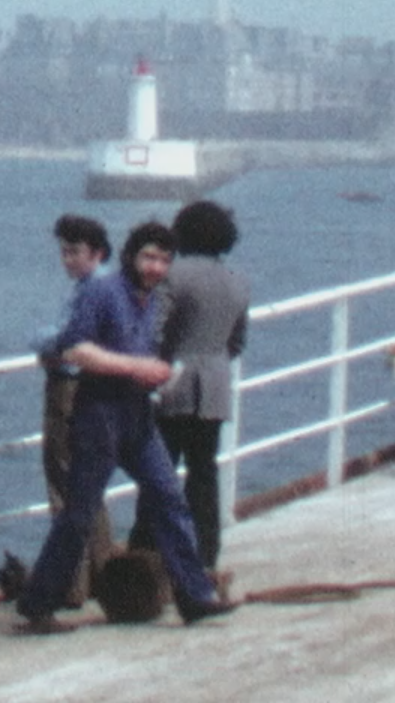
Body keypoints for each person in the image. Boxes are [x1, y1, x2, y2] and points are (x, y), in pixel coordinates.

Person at [16, 221, 237, 631]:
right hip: (99, 413)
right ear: (131, 256)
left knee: (170, 496)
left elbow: (142, 348)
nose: (155, 267)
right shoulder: (103, 292)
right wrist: (136, 367)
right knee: (79, 513)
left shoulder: (150, 300)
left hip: (136, 413)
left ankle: (194, 596)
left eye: (164, 260)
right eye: (148, 257)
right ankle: (38, 602)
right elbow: (76, 349)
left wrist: (154, 375)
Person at [128, 200, 248, 572]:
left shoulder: (172, 276)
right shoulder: (237, 282)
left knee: (158, 473)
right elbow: (236, 342)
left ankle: (146, 555)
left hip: (171, 386)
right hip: (213, 387)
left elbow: (154, 330)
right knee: (204, 472)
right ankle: (206, 556)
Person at [32, 214, 115, 608]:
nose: (66, 259)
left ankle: (71, 582)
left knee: (63, 479)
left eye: (74, 252)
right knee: (90, 482)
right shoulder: (113, 287)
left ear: (95, 252)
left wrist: (45, 347)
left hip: (69, 387)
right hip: (99, 390)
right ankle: (103, 572)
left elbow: (61, 339)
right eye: (63, 252)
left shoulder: (90, 292)